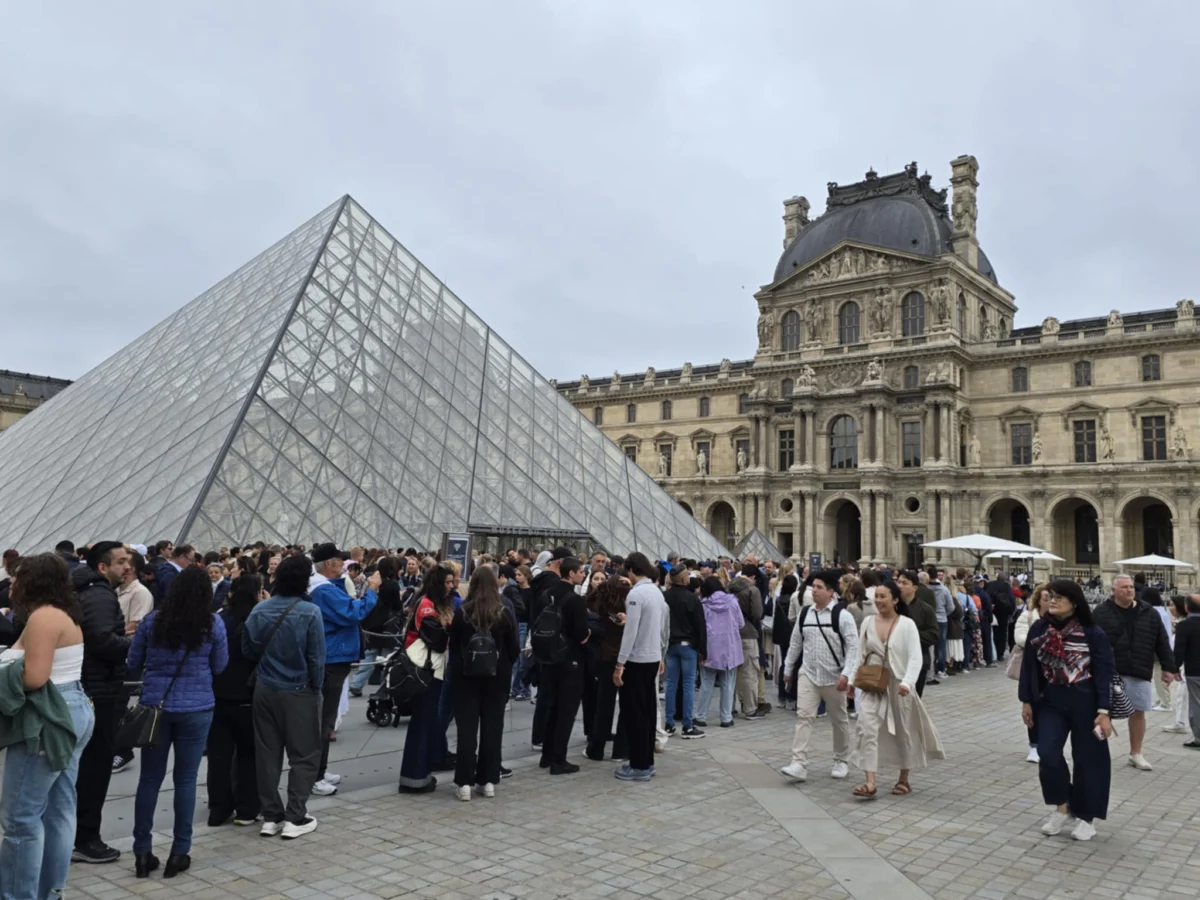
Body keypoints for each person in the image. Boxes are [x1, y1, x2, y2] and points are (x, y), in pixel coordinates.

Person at [0, 553, 95, 900]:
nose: (11, 583)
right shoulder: (63, 614)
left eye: (17, 578)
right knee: (58, 810)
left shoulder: (42, 617)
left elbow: (35, 677)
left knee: (21, 818)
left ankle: (17, 895)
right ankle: (49, 892)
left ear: (33, 581)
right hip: (70, 710)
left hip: (47, 717)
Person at [127, 566, 229, 878]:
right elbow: (220, 666)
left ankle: (142, 852)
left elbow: (133, 662)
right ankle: (179, 851)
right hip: (197, 707)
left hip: (155, 709)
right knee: (186, 779)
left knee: (149, 779)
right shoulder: (213, 623)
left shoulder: (152, 621)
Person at [1019, 580, 1116, 842]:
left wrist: (1104, 710)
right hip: (1051, 701)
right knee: (1048, 753)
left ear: (1074, 602)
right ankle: (1063, 806)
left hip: (1087, 702)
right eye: (1050, 596)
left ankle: (1086, 816)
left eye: (1059, 597)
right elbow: (1029, 667)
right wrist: (1026, 700)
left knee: (1089, 759)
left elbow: (1105, 671)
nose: (1052, 601)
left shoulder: (1092, 632)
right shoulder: (1040, 628)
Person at [243, 555, 325, 839]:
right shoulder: (310, 612)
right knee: (305, 754)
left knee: (267, 754)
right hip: (299, 689)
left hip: (265, 688)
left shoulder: (259, 609)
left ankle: (271, 816)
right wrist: (317, 688)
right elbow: (316, 658)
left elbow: (247, 650)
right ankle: (295, 816)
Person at [850, 580, 944, 799]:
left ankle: (904, 778)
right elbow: (860, 654)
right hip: (873, 682)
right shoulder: (867, 622)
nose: (878, 601)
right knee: (867, 727)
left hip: (899, 683)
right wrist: (853, 680)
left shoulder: (907, 624)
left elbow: (915, 657)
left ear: (895, 599)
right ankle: (870, 782)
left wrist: (907, 682)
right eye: (876, 596)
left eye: (883, 596)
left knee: (903, 730)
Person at [71, 541, 133, 865]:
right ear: (102, 567)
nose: (128, 567)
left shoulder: (87, 590)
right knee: (95, 768)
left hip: (90, 686)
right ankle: (86, 839)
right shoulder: (100, 594)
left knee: (86, 766)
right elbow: (102, 640)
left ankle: (78, 835)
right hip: (99, 690)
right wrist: (134, 643)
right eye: (121, 561)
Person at [307, 542, 379, 796]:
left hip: (332, 656)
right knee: (324, 719)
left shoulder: (323, 586)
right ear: (329, 563)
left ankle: (320, 769)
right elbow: (352, 611)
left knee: (326, 718)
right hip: (332, 658)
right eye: (340, 561)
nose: (344, 566)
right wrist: (371, 590)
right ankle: (315, 776)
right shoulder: (324, 590)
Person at [1092, 574, 1179, 771]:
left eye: (1131, 586)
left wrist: (1168, 667)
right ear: (1113, 590)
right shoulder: (1101, 612)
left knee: (1139, 711)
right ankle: (1097, 753)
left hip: (1140, 668)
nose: (1129, 590)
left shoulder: (1149, 612)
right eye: (1124, 587)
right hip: (1110, 671)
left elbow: (1162, 641)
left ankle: (1136, 753)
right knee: (1103, 712)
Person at [780, 570, 860, 783]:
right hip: (808, 674)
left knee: (839, 720)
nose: (814, 591)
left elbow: (853, 648)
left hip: (835, 677)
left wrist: (847, 675)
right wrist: (788, 669)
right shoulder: (805, 614)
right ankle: (798, 763)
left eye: (819, 587)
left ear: (831, 591)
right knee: (803, 717)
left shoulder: (842, 616)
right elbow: (795, 643)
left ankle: (841, 759)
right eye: (812, 587)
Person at [448, 567, 520, 800]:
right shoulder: (503, 612)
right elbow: (514, 648)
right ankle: (487, 780)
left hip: (466, 677)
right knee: (493, 729)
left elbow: (453, 647)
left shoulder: (463, 611)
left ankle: (464, 782)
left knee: (466, 731)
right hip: (497, 677)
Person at [207, 573, 265, 827]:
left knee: (218, 756)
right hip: (249, 696)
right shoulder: (258, 620)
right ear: (257, 594)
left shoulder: (219, 620)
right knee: (248, 756)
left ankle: (219, 808)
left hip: (218, 695)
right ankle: (247, 808)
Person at [398, 565, 454, 794]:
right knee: (422, 723)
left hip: (429, 669)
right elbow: (437, 640)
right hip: (426, 670)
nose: (451, 586)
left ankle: (418, 774)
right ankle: (415, 777)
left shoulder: (428, 603)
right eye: (447, 582)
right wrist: (452, 630)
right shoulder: (428, 606)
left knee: (424, 723)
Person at [613, 553, 669, 782]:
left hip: (637, 660)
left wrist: (620, 663)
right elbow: (661, 627)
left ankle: (638, 765)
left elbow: (630, 632)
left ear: (631, 570)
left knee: (634, 713)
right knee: (648, 712)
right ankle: (646, 761)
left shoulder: (636, 594)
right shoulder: (656, 591)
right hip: (653, 656)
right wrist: (661, 653)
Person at [537, 558, 589, 775]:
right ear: (571, 574)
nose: (583, 575)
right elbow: (581, 634)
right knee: (566, 711)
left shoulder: (546, 594)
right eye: (580, 571)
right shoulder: (575, 600)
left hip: (549, 656)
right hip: (570, 658)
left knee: (552, 707)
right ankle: (559, 760)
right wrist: (589, 633)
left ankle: (547, 755)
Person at [585, 576, 629, 761]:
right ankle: (621, 750)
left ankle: (596, 748)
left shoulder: (597, 603)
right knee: (626, 705)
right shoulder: (628, 605)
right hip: (625, 657)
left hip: (604, 657)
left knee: (604, 705)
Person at [662, 566, 707, 738]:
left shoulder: (664, 596)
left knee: (670, 684)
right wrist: (703, 650)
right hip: (688, 645)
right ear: (683, 579)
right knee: (688, 685)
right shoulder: (692, 598)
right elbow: (700, 625)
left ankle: (669, 724)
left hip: (670, 645)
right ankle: (687, 726)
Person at [695, 576, 744, 729]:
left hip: (710, 648)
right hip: (730, 648)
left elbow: (699, 627)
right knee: (728, 683)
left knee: (706, 683)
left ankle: (701, 716)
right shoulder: (733, 602)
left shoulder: (704, 605)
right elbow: (741, 623)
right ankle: (726, 717)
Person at [349, 557, 402, 697]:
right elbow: (397, 606)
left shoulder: (372, 582)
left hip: (371, 622)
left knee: (369, 655)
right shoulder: (392, 585)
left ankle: (356, 683)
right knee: (387, 658)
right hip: (387, 625)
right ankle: (386, 687)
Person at [1013, 584, 1050, 763]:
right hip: (1033, 667)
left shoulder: (1059, 620)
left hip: (1052, 671)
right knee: (1033, 707)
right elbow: (1020, 637)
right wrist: (1040, 642)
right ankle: (1034, 746)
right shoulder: (1028, 617)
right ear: (1039, 601)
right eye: (1046, 598)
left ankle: (1048, 745)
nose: (1050, 602)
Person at [728, 565, 764, 719]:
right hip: (747, 632)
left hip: (730, 633)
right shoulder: (752, 590)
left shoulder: (728, 587)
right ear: (753, 577)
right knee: (749, 671)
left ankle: (729, 708)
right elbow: (757, 614)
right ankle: (750, 708)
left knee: (731, 673)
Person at [895, 571, 938, 697]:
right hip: (896, 661)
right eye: (898, 582)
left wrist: (911, 635)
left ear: (914, 587)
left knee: (913, 699)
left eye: (904, 583)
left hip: (919, 661)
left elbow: (934, 635)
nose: (900, 586)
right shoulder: (893, 608)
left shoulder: (926, 609)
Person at [1173, 594, 1200, 748]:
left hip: (1194, 670)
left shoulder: (1184, 625)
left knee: (1196, 704)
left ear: (1186, 608)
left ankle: (1199, 738)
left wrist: (1175, 668)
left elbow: (1179, 650)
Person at [1142, 588, 1174, 711]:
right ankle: (1161, 698)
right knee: (1157, 674)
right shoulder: (1161, 610)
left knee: (1159, 675)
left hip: (1159, 646)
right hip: (1163, 644)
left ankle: (1166, 702)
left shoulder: (1153, 611)